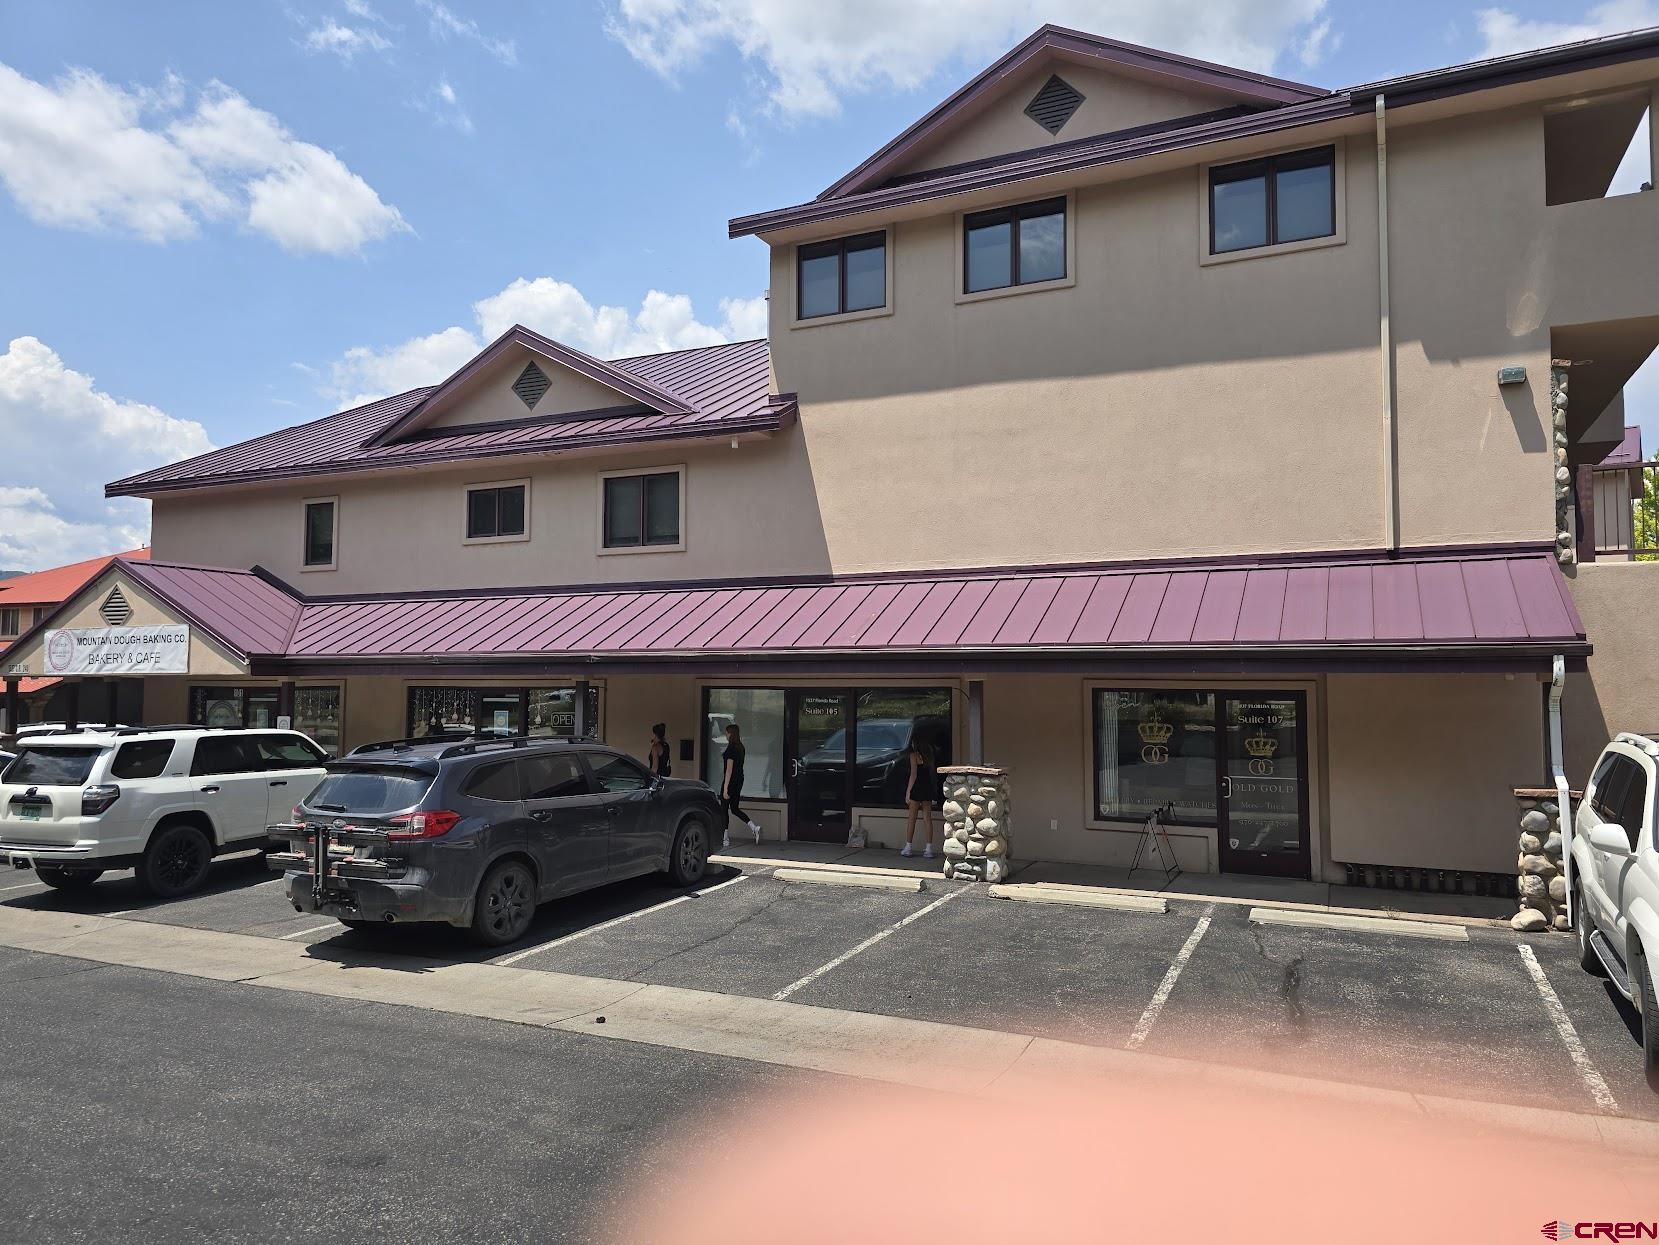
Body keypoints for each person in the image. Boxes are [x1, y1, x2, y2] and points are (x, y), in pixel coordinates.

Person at [721, 723, 761, 848]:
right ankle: (753, 827)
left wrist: (725, 788)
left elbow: (729, 770)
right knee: (734, 808)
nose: (725, 735)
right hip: (739, 780)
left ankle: (725, 837)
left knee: (724, 809)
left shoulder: (731, 749)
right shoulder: (741, 748)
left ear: (730, 734)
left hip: (731, 781)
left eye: (727, 733)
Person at [899, 737, 937, 859]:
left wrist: (908, 792)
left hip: (917, 787)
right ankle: (929, 849)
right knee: (927, 818)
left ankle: (908, 847)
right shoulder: (929, 755)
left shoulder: (914, 755)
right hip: (927, 787)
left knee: (912, 818)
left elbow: (913, 774)